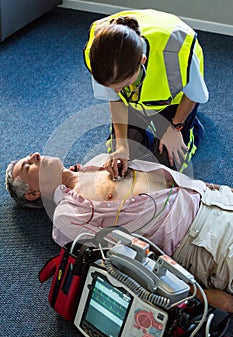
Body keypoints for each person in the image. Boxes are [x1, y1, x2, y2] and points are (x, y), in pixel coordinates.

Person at [5, 152, 233, 312]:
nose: (36, 155)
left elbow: (164, 177)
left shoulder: (97, 162)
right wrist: (201, 295)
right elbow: (128, 264)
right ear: (33, 194)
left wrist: (216, 190)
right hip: (203, 242)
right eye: (28, 166)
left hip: (214, 200)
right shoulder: (67, 215)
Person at [83, 9, 209, 177]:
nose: (117, 91)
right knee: (125, 160)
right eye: (113, 86)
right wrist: (122, 146)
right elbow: (116, 100)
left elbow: (193, 95)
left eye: (125, 84)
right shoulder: (100, 56)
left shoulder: (178, 52)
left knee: (167, 162)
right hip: (135, 100)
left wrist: (175, 127)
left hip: (174, 100)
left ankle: (192, 126)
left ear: (142, 61)